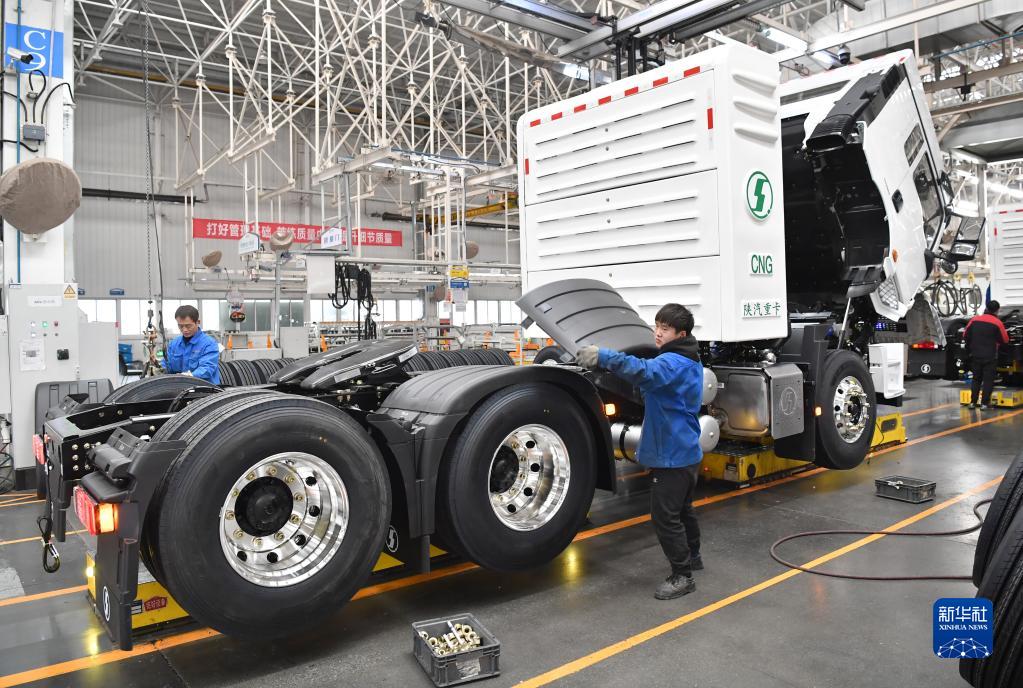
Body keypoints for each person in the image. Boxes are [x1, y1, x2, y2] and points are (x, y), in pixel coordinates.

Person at [576, 303, 704, 600]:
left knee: (664, 517)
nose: (657, 333)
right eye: (656, 326)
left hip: (671, 455)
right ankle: (693, 557)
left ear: (681, 334)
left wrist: (603, 356)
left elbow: (644, 370)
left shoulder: (672, 363)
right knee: (683, 510)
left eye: (665, 329)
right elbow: (653, 382)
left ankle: (683, 576)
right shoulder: (689, 358)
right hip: (685, 450)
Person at [964, 300, 1009, 409]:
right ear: (997, 310)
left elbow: (965, 335)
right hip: (990, 356)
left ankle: (972, 402)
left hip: (975, 355)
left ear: (986, 308)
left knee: (976, 379)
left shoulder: (974, 320)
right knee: (988, 380)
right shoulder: (997, 323)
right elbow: (1005, 340)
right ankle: (984, 403)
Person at [163, 304, 221, 384]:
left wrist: (189, 376)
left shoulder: (209, 344)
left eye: (188, 326)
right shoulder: (174, 344)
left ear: (198, 322)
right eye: (180, 326)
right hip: (179, 387)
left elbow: (207, 368)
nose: (184, 330)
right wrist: (159, 369)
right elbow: (166, 364)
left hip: (205, 388)